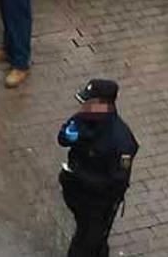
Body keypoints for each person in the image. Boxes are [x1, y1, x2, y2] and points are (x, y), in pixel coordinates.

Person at [57, 79, 139, 257]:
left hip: (99, 202)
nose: (84, 107)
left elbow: (117, 181)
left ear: (105, 105)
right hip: (75, 191)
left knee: (85, 243)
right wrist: (67, 136)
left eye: (89, 103)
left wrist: (84, 178)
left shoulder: (121, 142)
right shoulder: (83, 118)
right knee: (90, 235)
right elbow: (62, 137)